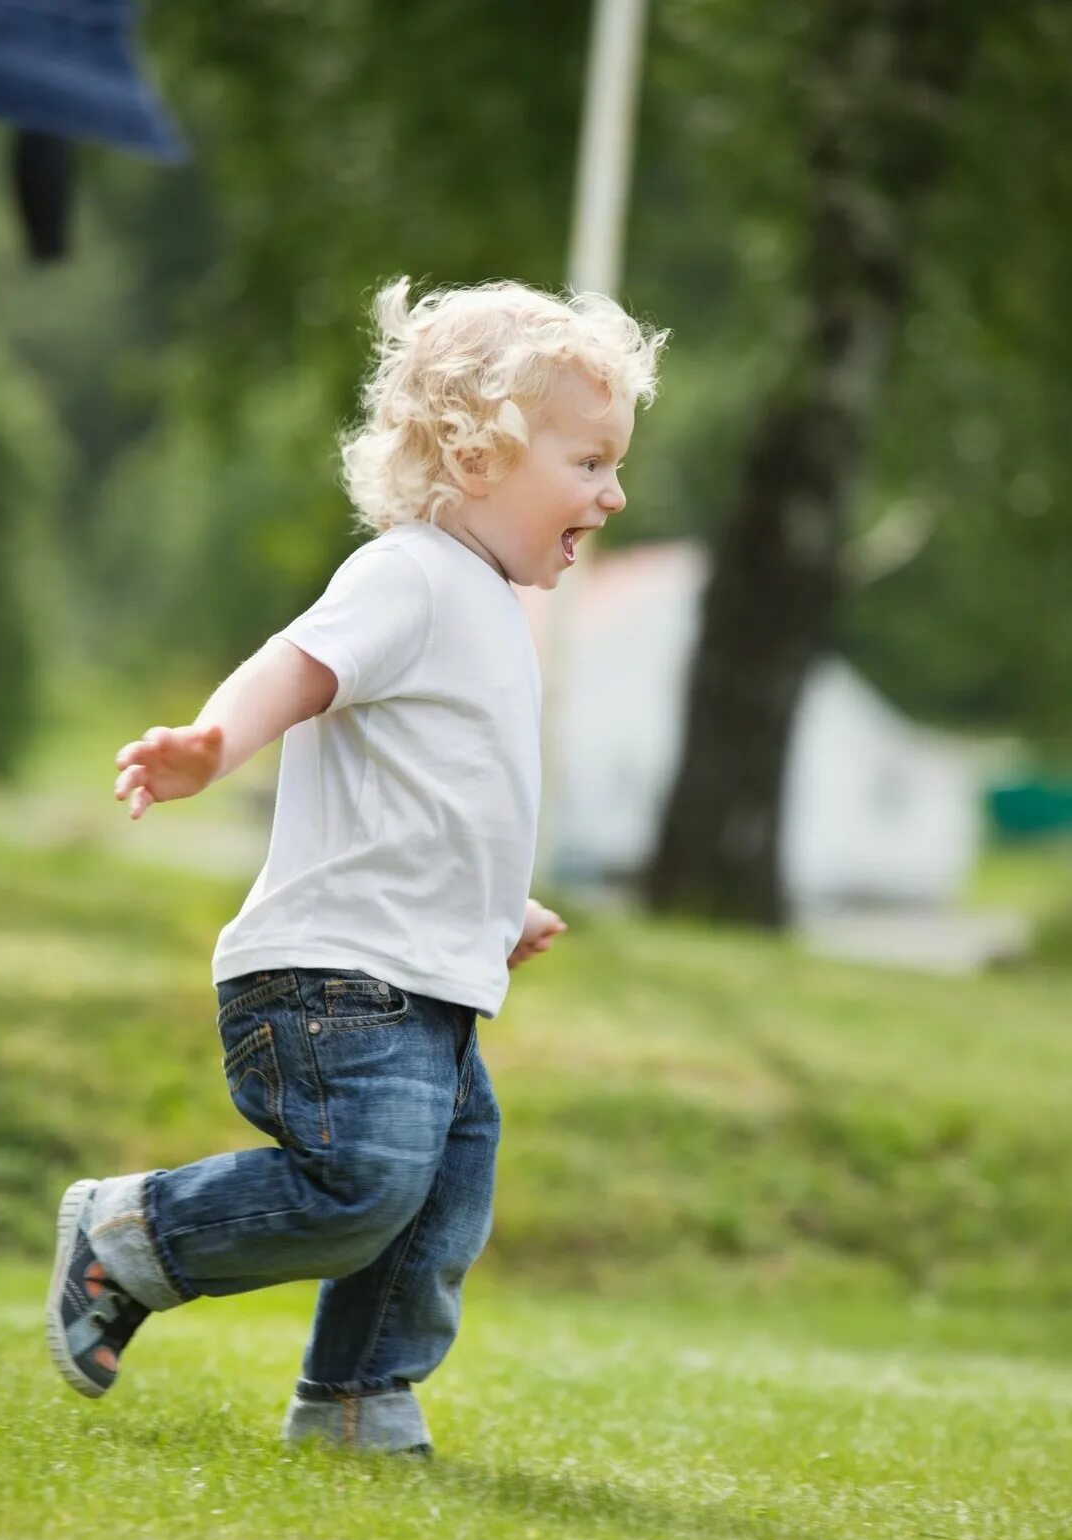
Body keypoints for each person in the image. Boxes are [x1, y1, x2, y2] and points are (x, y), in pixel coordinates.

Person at [46, 276, 667, 1455]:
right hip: (332, 982)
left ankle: (354, 1401)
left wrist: (497, 905)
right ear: (479, 451)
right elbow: (296, 664)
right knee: (365, 1186)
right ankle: (130, 1232)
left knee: (437, 1203)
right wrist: (213, 744)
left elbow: (442, 794)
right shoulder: (409, 575)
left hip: (423, 982)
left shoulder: (487, 603)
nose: (614, 491)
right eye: (588, 463)